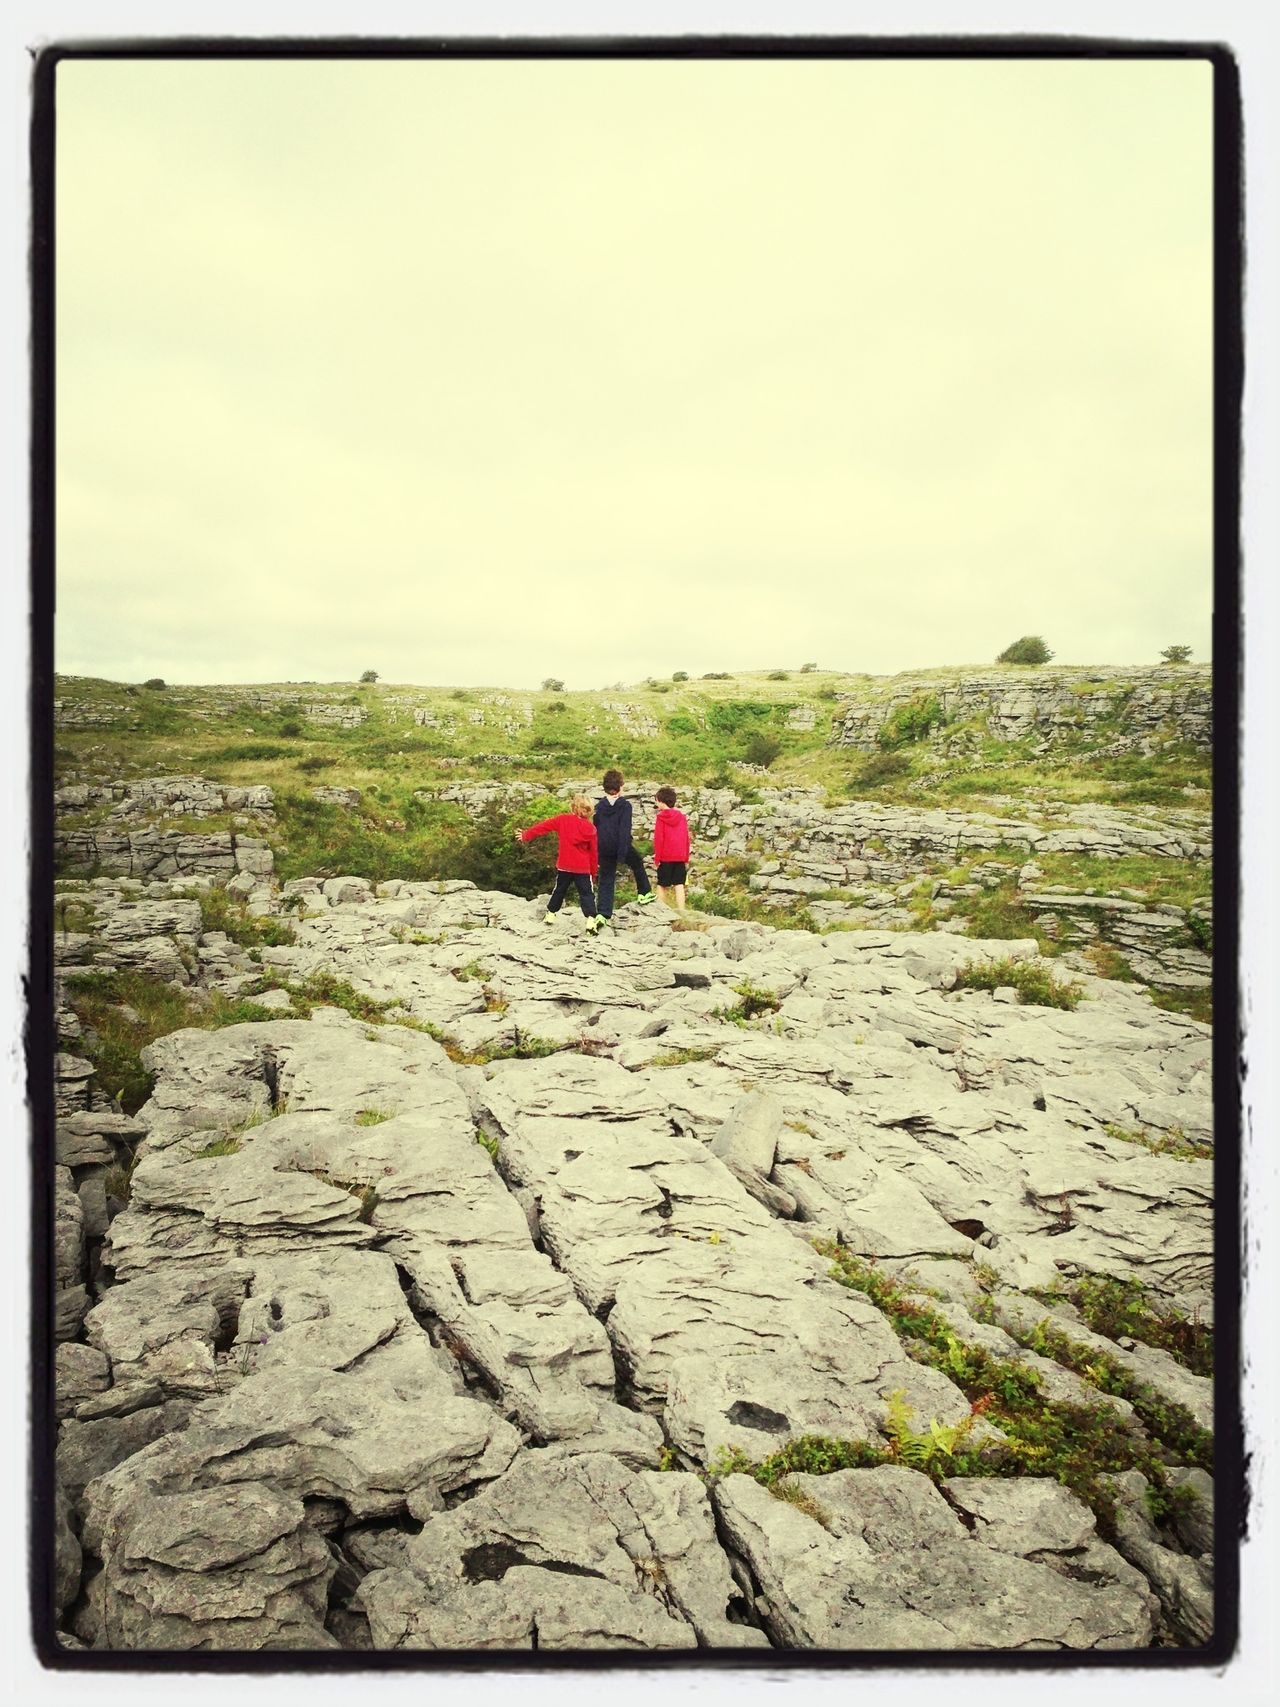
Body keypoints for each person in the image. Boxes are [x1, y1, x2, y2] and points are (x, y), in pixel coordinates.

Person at [516, 796, 602, 933]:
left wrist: (526, 835)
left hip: (565, 865)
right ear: (590, 811)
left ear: (573, 807)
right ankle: (591, 921)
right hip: (582, 868)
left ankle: (550, 915)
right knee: (586, 894)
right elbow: (593, 853)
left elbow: (543, 827)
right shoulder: (591, 829)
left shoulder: (563, 820)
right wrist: (593, 873)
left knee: (559, 890)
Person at [593, 768, 655, 925]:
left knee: (606, 878)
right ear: (620, 786)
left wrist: (597, 851)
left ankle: (603, 913)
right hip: (621, 845)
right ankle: (644, 892)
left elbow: (596, 827)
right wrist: (622, 853)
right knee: (637, 863)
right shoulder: (624, 805)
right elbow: (624, 829)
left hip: (603, 847)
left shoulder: (600, 806)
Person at [652, 786, 691, 910]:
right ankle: (682, 910)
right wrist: (686, 857)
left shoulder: (660, 817)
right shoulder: (682, 817)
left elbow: (659, 839)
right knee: (679, 884)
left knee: (662, 884)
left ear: (661, 801)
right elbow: (686, 838)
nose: (656, 803)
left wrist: (657, 859)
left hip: (666, 857)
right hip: (679, 856)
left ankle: (662, 909)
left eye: (657, 800)